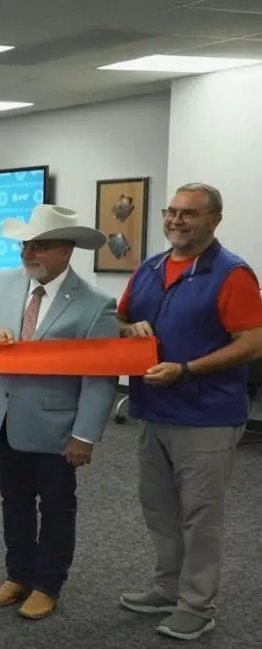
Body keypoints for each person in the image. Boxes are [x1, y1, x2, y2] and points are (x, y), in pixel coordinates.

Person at [117, 183, 262, 641]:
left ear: (214, 219)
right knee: (159, 508)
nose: (177, 221)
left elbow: (254, 342)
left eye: (189, 214)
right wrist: (128, 329)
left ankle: (198, 606)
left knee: (200, 516)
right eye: (171, 212)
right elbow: (119, 320)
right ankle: (167, 588)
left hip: (206, 417)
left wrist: (187, 369)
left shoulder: (231, 273)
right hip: (152, 409)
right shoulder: (150, 267)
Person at [0, 204, 118, 620]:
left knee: (55, 506)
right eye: (26, 245)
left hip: (57, 426)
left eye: (40, 246)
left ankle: (48, 585)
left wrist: (84, 435)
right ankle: (18, 576)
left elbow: (100, 377)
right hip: (3, 419)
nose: (29, 253)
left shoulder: (96, 304)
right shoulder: (3, 282)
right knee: (13, 501)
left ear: (66, 252)